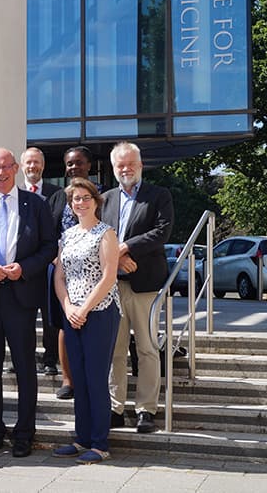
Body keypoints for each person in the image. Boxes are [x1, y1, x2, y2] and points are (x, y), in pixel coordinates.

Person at [0, 148, 57, 458]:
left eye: (6, 166)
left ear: (15, 168)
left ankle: (24, 433)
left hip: (22, 297)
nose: (1, 172)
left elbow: (48, 247)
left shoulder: (37, 204)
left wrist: (25, 268)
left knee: (25, 368)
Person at [101, 142, 174, 434]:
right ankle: (114, 407)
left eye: (130, 164)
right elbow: (96, 236)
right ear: (114, 168)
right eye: (120, 165)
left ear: (141, 165)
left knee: (147, 348)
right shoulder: (104, 199)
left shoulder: (159, 196)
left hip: (145, 284)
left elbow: (162, 231)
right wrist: (116, 261)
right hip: (112, 285)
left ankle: (146, 409)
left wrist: (126, 248)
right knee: (115, 350)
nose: (125, 169)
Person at [51, 177, 121, 465]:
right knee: (78, 378)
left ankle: (100, 443)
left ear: (96, 200)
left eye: (85, 197)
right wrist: (68, 307)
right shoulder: (67, 236)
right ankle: (81, 438)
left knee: (95, 378)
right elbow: (59, 276)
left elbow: (109, 276)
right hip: (73, 315)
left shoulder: (106, 234)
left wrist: (84, 308)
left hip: (101, 312)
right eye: (75, 199)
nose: (80, 202)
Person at [47, 146, 96, 400]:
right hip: (62, 273)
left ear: (89, 165)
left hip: (94, 274)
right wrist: (55, 258)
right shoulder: (57, 197)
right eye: (69, 164)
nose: (73, 168)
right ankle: (68, 380)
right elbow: (48, 233)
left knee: (93, 325)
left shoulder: (100, 197)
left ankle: (91, 377)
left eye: (78, 163)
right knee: (65, 325)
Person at [21, 147, 63, 377]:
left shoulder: (57, 193)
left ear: (43, 166)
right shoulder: (15, 195)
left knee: (49, 315)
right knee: (23, 316)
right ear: (22, 166)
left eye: (36, 162)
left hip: (50, 265)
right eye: (28, 162)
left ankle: (50, 359)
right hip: (24, 266)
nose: (32, 167)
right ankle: (23, 357)